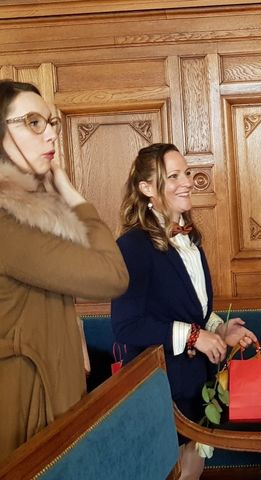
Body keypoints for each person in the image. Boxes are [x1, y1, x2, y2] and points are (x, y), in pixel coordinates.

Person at [111, 143, 257, 480]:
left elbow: (196, 313)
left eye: (187, 173)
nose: (187, 181)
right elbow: (127, 326)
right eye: (173, 176)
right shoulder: (133, 246)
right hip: (159, 388)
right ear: (147, 188)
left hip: (196, 385)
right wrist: (194, 336)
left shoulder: (193, 241)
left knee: (193, 471)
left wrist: (220, 332)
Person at [0, 80, 129, 462]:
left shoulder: (29, 214)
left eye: (50, 121)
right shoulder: (9, 221)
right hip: (24, 405)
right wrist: (74, 196)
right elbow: (113, 275)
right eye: (33, 122)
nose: (52, 132)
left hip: (46, 389)